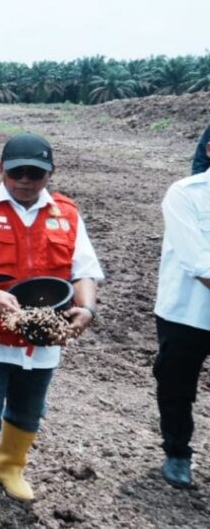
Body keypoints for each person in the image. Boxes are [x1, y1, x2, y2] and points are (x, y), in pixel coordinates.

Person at [0, 133, 102, 527]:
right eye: (17, 173)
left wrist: (86, 308)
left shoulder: (67, 213)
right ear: (2, 169)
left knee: (29, 409)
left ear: (51, 173)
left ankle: (11, 466)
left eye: (35, 173)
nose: (25, 181)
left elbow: (84, 271)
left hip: (44, 339)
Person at [153, 157, 210, 490]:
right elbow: (199, 262)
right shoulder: (185, 194)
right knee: (176, 383)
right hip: (187, 312)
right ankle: (177, 452)